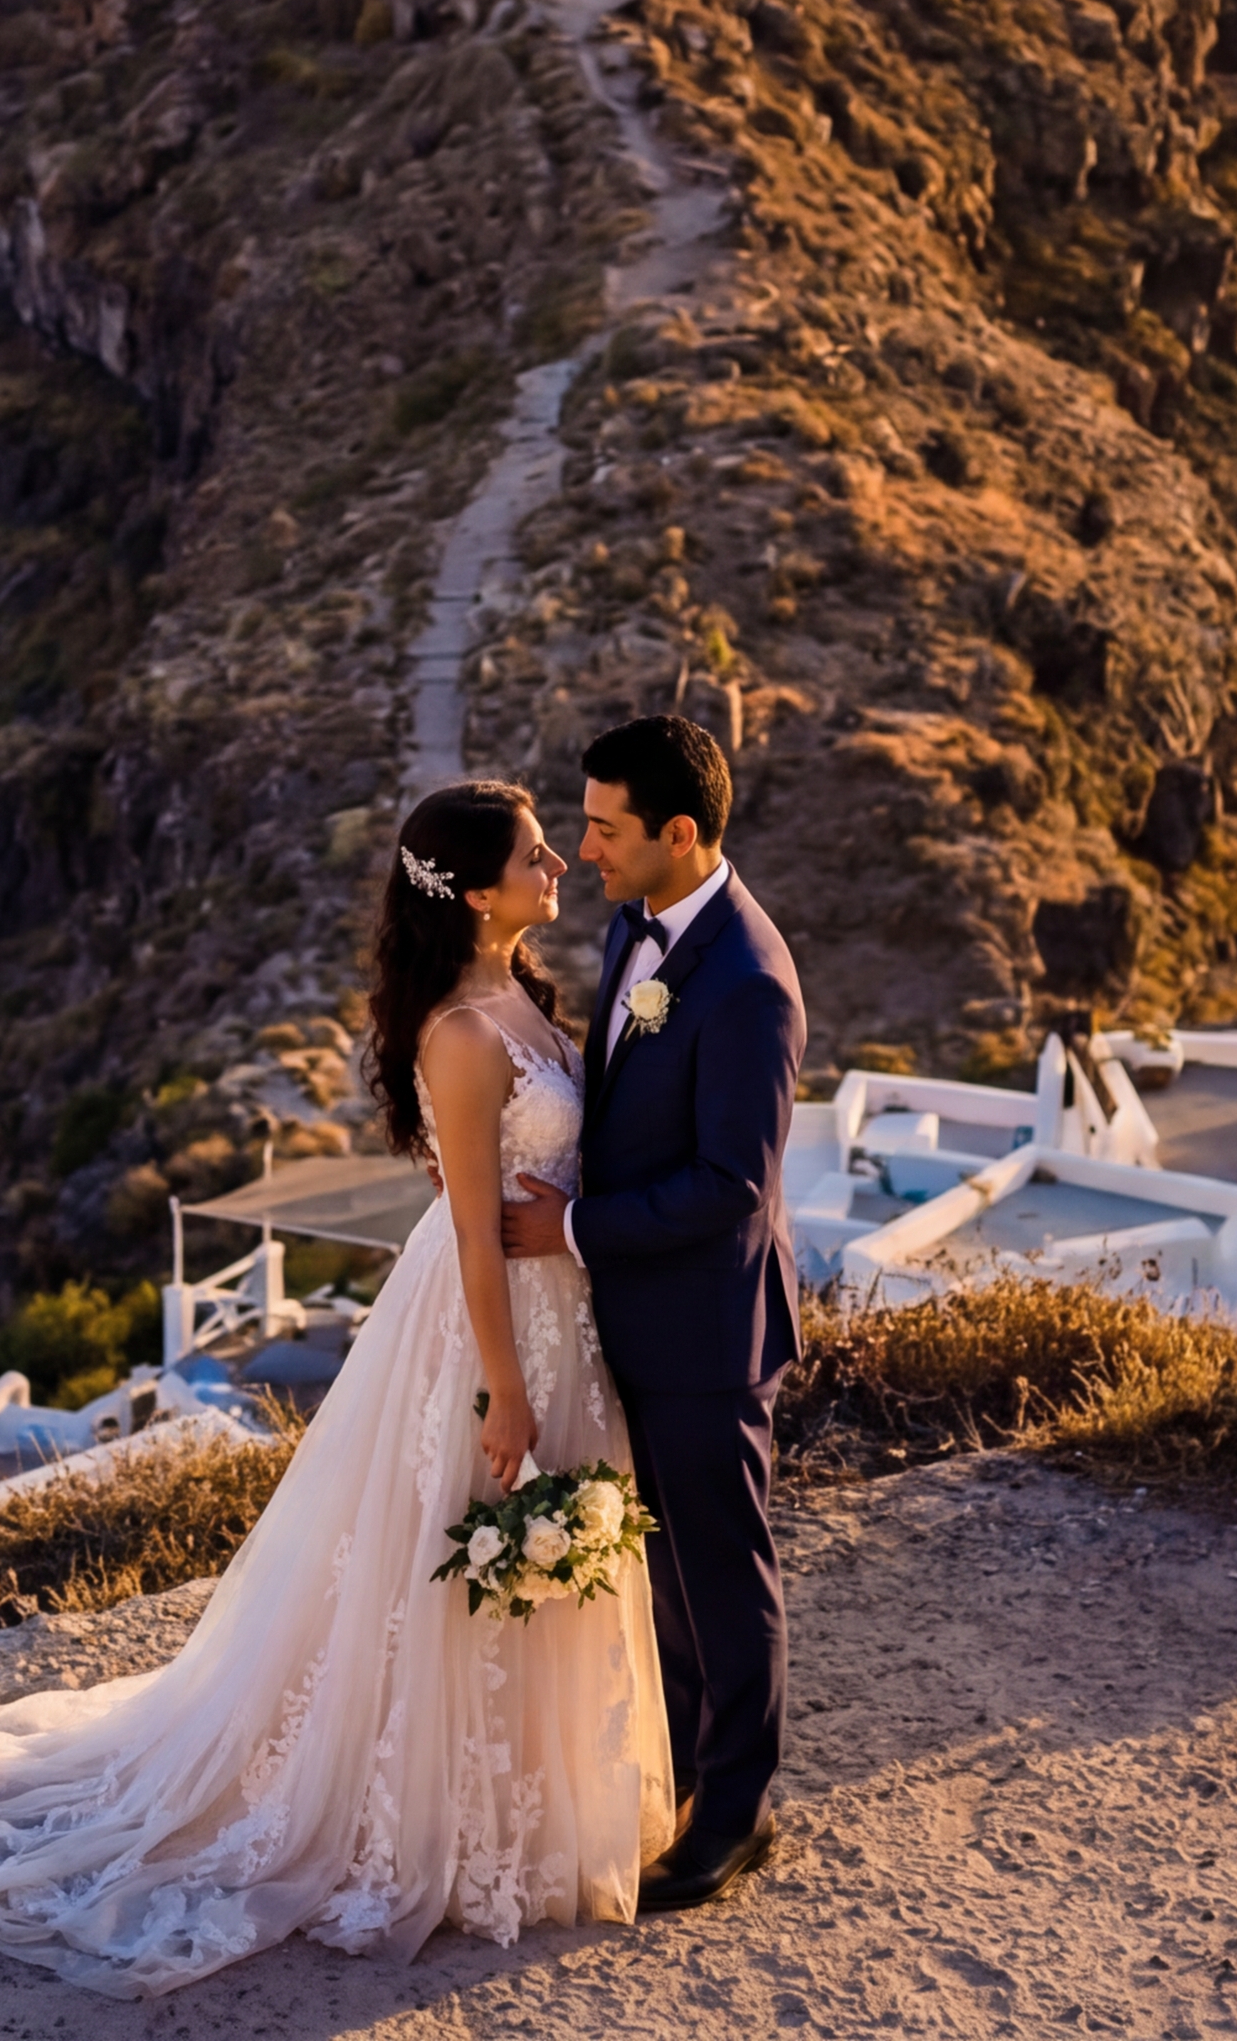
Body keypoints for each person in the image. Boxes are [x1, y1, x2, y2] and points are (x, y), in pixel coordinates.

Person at [0, 779, 674, 1994]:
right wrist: (504, 1386)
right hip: (485, 1322)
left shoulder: (525, 999)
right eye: (532, 850)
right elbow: (472, 1231)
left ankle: (526, 1805)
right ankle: (416, 1814)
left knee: (526, 1555)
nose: (558, 859)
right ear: (478, 888)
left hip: (561, 1312)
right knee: (464, 1542)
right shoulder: (458, 1031)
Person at [504, 707, 804, 1911]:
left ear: (680, 832)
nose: (584, 848)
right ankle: (676, 1775)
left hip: (705, 1332)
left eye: (606, 826)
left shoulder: (747, 982)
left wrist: (568, 1228)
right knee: (665, 1571)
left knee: (722, 1576)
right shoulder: (638, 922)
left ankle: (735, 1815)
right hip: (633, 1316)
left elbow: (731, 1183)